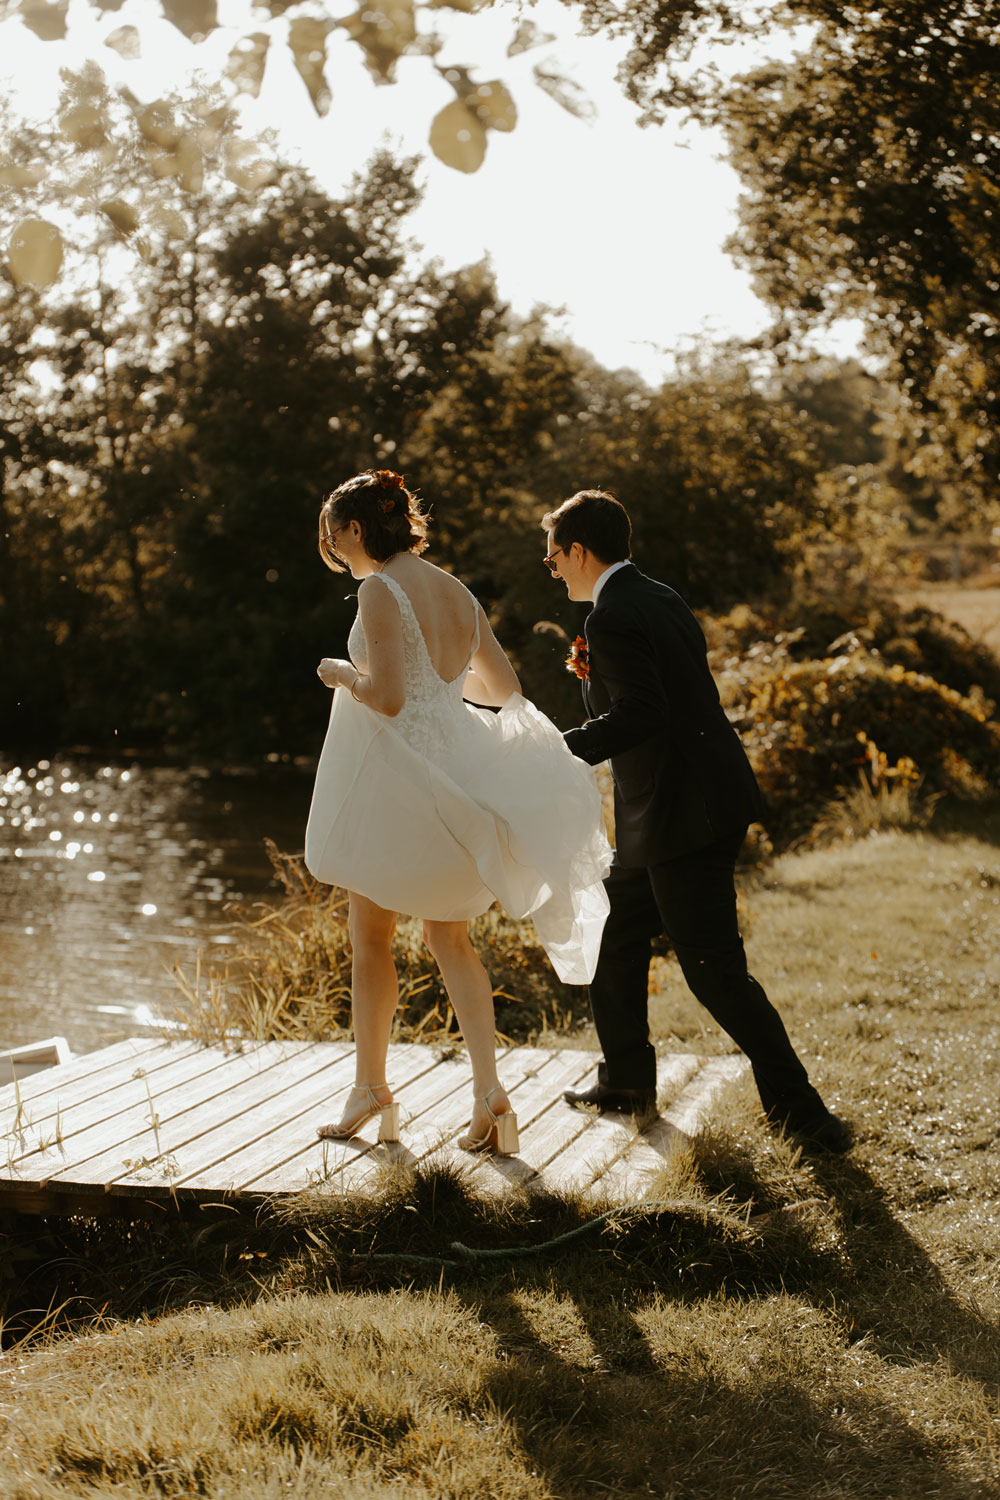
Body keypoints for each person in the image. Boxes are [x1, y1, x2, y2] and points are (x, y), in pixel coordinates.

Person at [304, 469, 611, 1155]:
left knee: (370, 941)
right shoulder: (455, 590)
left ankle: (370, 1090)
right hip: (456, 783)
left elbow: (383, 698)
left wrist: (340, 674)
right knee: (452, 940)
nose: (335, 550)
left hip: (399, 785)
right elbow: (503, 688)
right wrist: (441, 692)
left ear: (356, 529)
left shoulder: (379, 589)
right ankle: (489, 1097)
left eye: (334, 537)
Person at [542, 489, 851, 1153]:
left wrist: (557, 749)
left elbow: (644, 712)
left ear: (580, 550)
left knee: (714, 973)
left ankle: (805, 1117)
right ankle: (626, 1079)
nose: (553, 567)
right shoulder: (659, 595)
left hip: (683, 818)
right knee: (611, 936)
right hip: (684, 807)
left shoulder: (612, 617)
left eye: (555, 556)